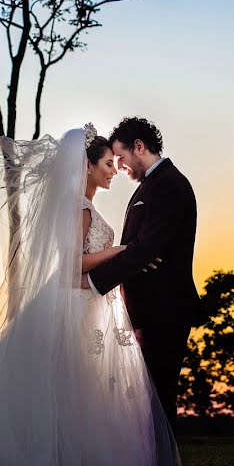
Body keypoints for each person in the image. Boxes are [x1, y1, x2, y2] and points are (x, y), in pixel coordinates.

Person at [0, 126, 179, 465]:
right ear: (88, 166)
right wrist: (122, 249)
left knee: (88, 393)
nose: (114, 171)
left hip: (92, 304)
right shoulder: (81, 208)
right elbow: (73, 262)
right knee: (77, 391)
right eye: (108, 164)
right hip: (78, 308)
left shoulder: (84, 205)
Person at [84, 117, 206, 426]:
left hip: (166, 308)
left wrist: (93, 281)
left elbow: (147, 246)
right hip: (149, 309)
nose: (120, 166)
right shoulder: (152, 184)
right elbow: (141, 246)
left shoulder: (168, 184)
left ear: (139, 147)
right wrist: (138, 252)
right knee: (148, 399)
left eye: (121, 158)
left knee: (159, 397)